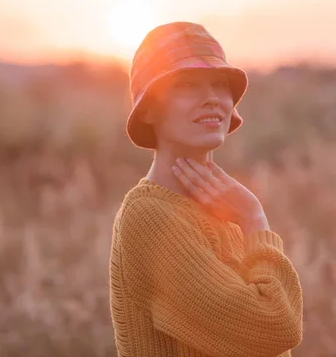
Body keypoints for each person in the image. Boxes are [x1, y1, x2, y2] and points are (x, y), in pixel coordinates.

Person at [109, 21, 303, 357]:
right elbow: (275, 327)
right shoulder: (149, 218)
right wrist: (254, 219)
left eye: (219, 83)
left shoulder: (222, 206)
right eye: (186, 85)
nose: (211, 98)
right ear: (150, 109)